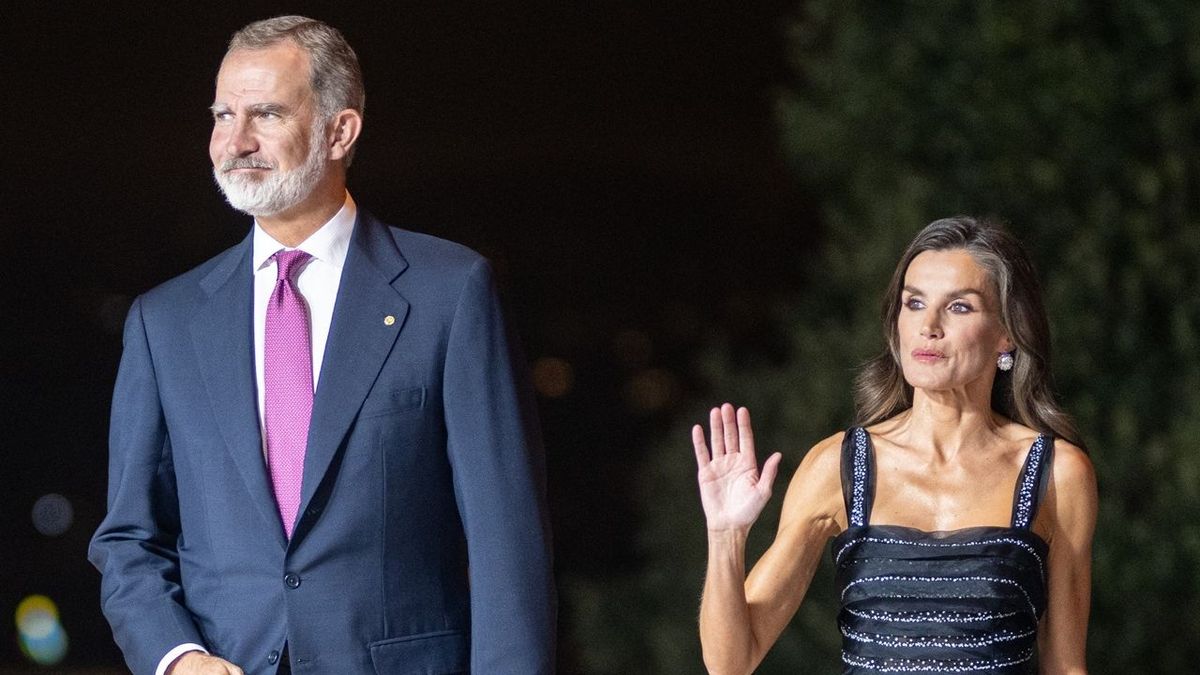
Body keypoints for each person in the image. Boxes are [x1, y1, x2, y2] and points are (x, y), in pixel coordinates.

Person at [88, 16, 555, 675]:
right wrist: (178, 657)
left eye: (266, 114)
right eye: (223, 115)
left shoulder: (450, 292)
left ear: (341, 130)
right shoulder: (162, 322)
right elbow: (130, 540)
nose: (235, 141)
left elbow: (507, 541)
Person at [692, 217, 1097, 674]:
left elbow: (1066, 666)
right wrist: (725, 536)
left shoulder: (1058, 474)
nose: (929, 326)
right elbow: (730, 662)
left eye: (959, 307)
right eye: (914, 303)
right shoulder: (839, 466)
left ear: (1006, 332)